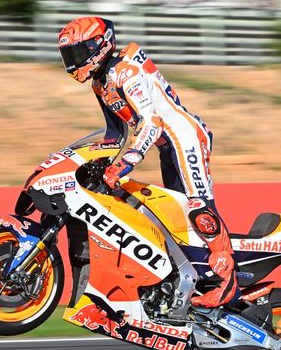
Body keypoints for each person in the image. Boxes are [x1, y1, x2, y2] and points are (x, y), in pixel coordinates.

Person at [57, 16, 238, 308]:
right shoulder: (100, 84)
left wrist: (123, 165)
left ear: (100, 46)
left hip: (184, 137)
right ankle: (202, 275)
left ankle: (229, 279)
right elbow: (115, 134)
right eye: (70, 55)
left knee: (197, 207)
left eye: (78, 53)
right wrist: (91, 162)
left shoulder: (126, 73)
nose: (74, 61)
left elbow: (150, 124)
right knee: (177, 214)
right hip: (166, 146)